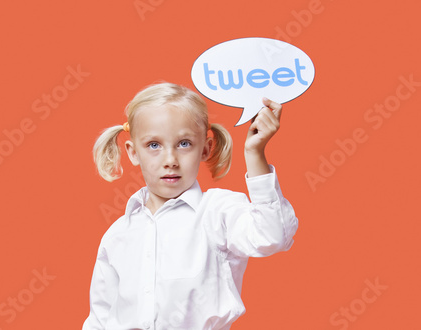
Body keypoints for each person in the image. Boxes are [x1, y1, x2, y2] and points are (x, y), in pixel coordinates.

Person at [83, 82, 298, 329]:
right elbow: (99, 319)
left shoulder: (218, 212)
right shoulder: (118, 234)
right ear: (133, 152)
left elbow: (272, 235)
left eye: (184, 143)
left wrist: (255, 152)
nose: (170, 160)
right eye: (154, 145)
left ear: (205, 149)